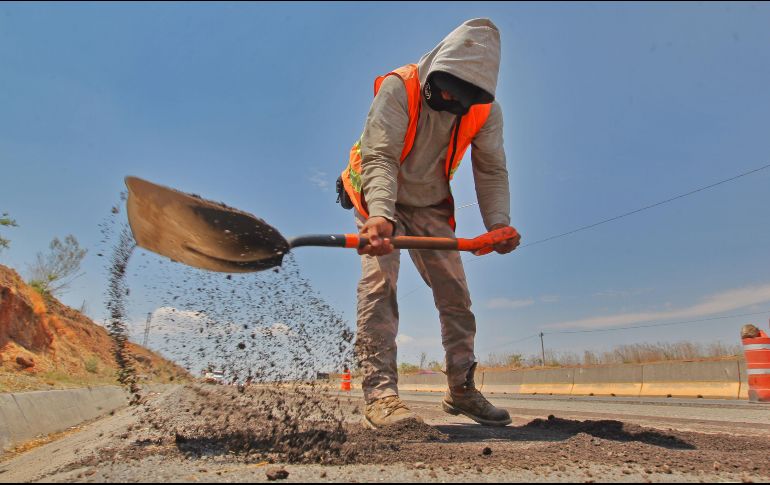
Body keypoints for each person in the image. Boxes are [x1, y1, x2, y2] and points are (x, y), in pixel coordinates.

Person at [337, 18, 520, 429]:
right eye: (447, 87)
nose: (453, 97)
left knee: (456, 295)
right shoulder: (399, 87)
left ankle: (462, 390)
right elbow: (379, 155)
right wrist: (380, 216)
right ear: (438, 66)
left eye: (464, 95)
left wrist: (498, 225)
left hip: (430, 205)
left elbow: (491, 169)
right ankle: (381, 395)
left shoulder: (486, 110)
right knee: (379, 287)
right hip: (378, 195)